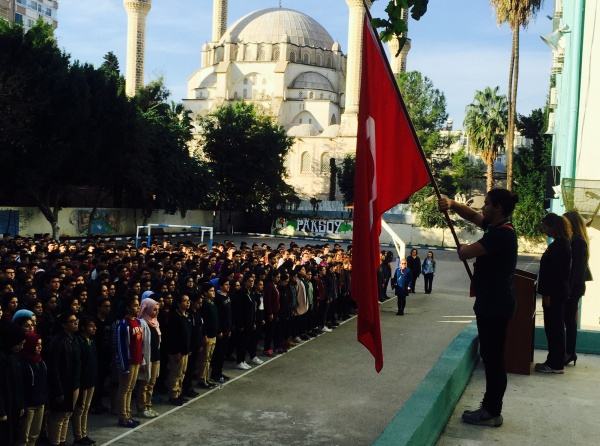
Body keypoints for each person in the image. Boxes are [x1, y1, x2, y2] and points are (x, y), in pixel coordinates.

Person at [438, 188, 518, 427]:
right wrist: (451, 204)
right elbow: (472, 216)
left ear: (499, 208)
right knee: (492, 357)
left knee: (493, 360)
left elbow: (466, 253)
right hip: (493, 302)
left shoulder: (501, 235)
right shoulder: (498, 228)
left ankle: (491, 411)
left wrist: (462, 247)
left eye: (488, 204)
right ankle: (491, 409)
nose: (483, 208)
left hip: (495, 305)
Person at [535, 213, 572, 374]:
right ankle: (554, 361)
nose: (543, 229)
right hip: (556, 293)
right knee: (553, 328)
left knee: (554, 328)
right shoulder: (559, 243)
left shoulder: (560, 246)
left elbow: (555, 274)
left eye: (545, 226)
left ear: (553, 227)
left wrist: (547, 295)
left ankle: (555, 364)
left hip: (555, 294)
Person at [113, 297, 150, 427]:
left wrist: (142, 360)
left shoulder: (138, 323)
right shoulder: (123, 324)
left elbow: (140, 344)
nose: (138, 308)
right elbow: (121, 347)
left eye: (138, 305)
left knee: (130, 389)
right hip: (128, 363)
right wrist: (124, 366)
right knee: (124, 389)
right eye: (135, 306)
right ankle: (122, 417)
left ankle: (128, 414)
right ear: (128, 307)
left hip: (137, 361)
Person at [47, 312, 82, 446]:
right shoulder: (57, 342)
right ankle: (55, 442)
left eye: (76, 320)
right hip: (62, 385)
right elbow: (54, 368)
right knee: (58, 417)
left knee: (67, 415)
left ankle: (62, 441)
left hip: (73, 384)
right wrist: (58, 390)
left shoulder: (73, 339)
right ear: (64, 325)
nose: (76, 323)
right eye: (72, 321)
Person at [562, 211, 592, 366]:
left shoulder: (578, 241)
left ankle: (569, 352)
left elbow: (577, 269)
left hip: (573, 288)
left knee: (569, 321)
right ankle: (569, 353)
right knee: (569, 321)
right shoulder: (576, 240)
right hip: (574, 287)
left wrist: (569, 289)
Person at [18, 332, 47, 446]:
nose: (39, 347)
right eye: (36, 344)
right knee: (23, 437)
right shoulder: (22, 363)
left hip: (40, 403)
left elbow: (44, 383)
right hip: (28, 405)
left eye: (40, 344)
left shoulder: (41, 361)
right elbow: (22, 386)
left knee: (35, 434)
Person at [72, 316, 97, 445]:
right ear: (83, 327)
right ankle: (78, 436)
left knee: (86, 408)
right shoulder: (79, 342)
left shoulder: (91, 340)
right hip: (82, 381)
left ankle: (84, 433)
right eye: (91, 326)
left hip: (91, 380)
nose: (94, 328)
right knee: (79, 409)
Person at [165, 294, 192, 406]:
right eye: (185, 301)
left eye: (188, 301)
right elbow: (173, 337)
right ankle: (173, 395)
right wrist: (177, 352)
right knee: (175, 374)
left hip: (185, 351)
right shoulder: (174, 317)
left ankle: (179, 393)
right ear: (179, 303)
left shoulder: (186, 315)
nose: (188, 303)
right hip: (177, 352)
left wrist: (187, 348)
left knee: (182, 373)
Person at [137, 298, 161, 418]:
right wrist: (143, 360)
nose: (156, 312)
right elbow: (142, 343)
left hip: (156, 357)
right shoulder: (142, 322)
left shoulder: (155, 321)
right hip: (147, 358)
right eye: (154, 309)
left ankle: (148, 405)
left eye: (157, 309)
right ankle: (142, 407)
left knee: (151, 383)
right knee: (144, 384)